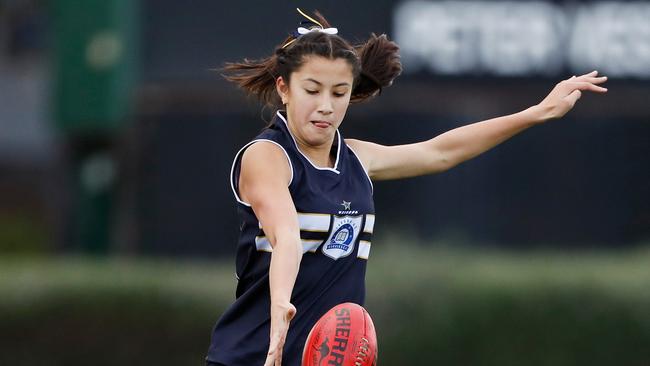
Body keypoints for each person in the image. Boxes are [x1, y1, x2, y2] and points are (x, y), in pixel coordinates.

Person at [205, 8, 607, 366]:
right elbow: (287, 235)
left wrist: (535, 113)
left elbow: (440, 153)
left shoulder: (357, 159)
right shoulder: (267, 156)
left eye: (339, 93)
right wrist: (279, 307)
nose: (326, 105)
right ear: (283, 89)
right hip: (256, 353)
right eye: (312, 90)